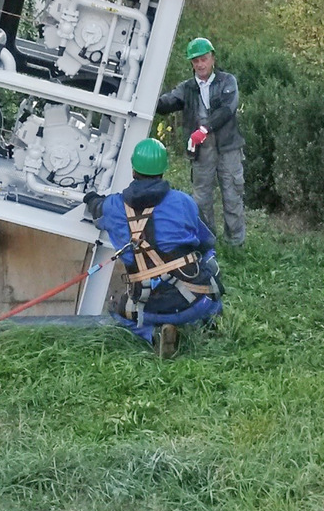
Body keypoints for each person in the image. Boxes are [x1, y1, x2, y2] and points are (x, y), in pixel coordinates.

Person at [84, 137, 222, 356]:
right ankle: (209, 323)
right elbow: (208, 241)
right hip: (195, 301)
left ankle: (152, 334)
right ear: (163, 170)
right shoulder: (184, 202)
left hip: (147, 309)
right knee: (210, 262)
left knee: (116, 310)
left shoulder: (113, 207)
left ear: (133, 170)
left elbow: (97, 210)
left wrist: (91, 198)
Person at [156, 37, 245, 245]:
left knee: (232, 195)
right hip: (201, 152)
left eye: (204, 59)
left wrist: (204, 129)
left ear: (213, 58)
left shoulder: (227, 81)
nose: (200, 64)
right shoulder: (186, 88)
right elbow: (166, 104)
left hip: (229, 148)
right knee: (201, 199)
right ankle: (207, 243)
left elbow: (227, 109)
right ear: (191, 63)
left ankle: (236, 245)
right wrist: (148, 96)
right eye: (195, 61)